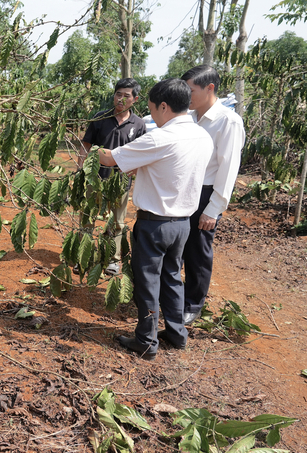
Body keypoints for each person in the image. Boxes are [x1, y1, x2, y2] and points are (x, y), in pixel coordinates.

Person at [98, 78, 213, 360]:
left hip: (155, 224)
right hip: (182, 223)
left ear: (163, 106)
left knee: (148, 281)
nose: (152, 115)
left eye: (152, 108)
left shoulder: (160, 137)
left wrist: (89, 151)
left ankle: (146, 341)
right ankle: (176, 334)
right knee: (172, 277)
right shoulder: (202, 136)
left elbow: (111, 159)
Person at [180, 65, 246, 325]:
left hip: (205, 194)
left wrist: (213, 208)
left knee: (198, 251)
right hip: (185, 191)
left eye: (191, 91)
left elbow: (229, 168)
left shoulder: (228, 121)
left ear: (210, 88)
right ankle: (175, 298)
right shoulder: (189, 117)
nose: (187, 97)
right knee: (179, 247)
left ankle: (193, 304)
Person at [80, 78, 147, 275]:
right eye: (118, 94)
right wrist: (80, 172)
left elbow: (142, 153)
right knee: (87, 218)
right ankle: (83, 255)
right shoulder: (100, 117)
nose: (121, 99)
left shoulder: (139, 124)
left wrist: (133, 172)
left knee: (117, 222)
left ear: (134, 99)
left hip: (121, 182)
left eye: (127, 96)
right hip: (95, 179)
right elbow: (85, 146)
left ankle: (113, 259)